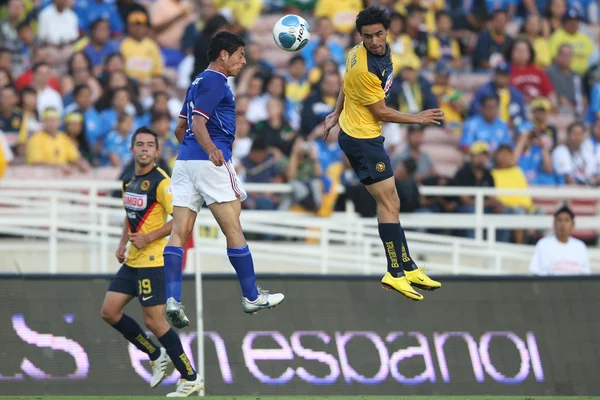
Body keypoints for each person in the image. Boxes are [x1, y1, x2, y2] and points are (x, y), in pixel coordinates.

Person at [323, 6, 444, 301]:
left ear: (387, 31)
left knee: (392, 201)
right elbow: (380, 111)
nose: (374, 41)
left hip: (363, 134)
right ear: (360, 36)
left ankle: (407, 265)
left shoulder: (362, 52)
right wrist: (418, 118)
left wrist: (336, 113)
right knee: (388, 202)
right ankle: (394, 271)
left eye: (378, 34)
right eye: (368, 36)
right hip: (362, 140)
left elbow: (344, 83)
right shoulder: (364, 65)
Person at [164, 32, 285, 328]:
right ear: (223, 55)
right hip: (210, 160)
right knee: (233, 227)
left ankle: (172, 299)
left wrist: (193, 154)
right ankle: (251, 295)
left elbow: (180, 128)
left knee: (179, 232)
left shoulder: (196, 82)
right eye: (240, 55)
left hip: (185, 162)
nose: (243, 61)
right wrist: (211, 151)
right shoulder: (217, 81)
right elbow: (197, 122)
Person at [101, 127, 203, 397]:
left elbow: (181, 220)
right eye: (140, 144)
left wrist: (149, 237)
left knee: (156, 323)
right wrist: (123, 243)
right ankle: (156, 354)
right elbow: (129, 214)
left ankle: (191, 377)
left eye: (149, 145)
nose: (144, 149)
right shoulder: (128, 180)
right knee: (109, 311)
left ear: (157, 152)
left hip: (153, 260)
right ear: (132, 149)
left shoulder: (162, 182)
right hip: (133, 260)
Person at [529, 206, 591, 275]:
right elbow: (536, 274)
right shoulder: (543, 245)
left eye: (566, 220)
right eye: (559, 220)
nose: (563, 224)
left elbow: (585, 276)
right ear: (554, 224)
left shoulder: (580, 247)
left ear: (573, 225)